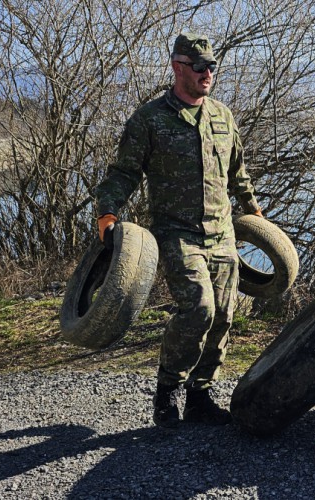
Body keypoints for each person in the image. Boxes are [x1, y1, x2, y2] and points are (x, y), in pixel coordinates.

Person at [94, 33, 262, 428]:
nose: (207, 74)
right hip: (176, 233)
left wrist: (253, 210)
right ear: (177, 67)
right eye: (199, 66)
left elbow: (237, 171)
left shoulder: (223, 116)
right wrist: (107, 212)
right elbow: (123, 172)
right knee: (198, 307)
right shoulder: (150, 119)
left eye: (212, 66)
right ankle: (167, 391)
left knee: (223, 313)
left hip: (221, 233)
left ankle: (200, 395)